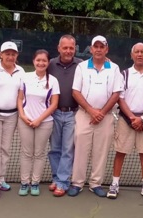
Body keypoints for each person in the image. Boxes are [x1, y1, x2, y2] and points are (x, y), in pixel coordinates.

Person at [67, 35, 124, 197]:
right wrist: (91, 111)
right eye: (96, 47)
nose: (98, 49)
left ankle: (95, 183)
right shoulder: (82, 67)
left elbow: (116, 93)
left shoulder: (114, 68)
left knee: (101, 151)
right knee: (80, 150)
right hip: (84, 115)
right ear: (91, 49)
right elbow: (75, 92)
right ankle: (77, 183)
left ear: (107, 49)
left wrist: (101, 113)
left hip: (105, 118)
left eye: (102, 47)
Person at [107, 42, 143, 201]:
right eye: (136, 52)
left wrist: (142, 118)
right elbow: (120, 98)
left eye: (142, 52)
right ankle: (115, 184)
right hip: (126, 120)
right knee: (120, 152)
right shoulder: (124, 74)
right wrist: (132, 117)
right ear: (132, 55)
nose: (139, 54)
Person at [17, 50, 60, 196]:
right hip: (25, 122)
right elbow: (20, 99)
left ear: (48, 63)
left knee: (39, 153)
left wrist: (39, 120)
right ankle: (24, 183)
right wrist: (23, 116)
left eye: (44, 61)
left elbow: (54, 104)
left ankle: (35, 183)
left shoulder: (53, 80)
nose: (41, 63)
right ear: (33, 61)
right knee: (27, 153)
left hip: (45, 123)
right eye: (38, 60)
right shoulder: (25, 77)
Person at [0, 41, 25, 199]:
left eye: (13, 54)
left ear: (16, 55)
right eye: (7, 53)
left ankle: (1, 179)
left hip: (13, 116)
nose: (10, 56)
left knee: (6, 149)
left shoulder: (21, 70)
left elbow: (20, 95)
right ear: (1, 54)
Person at [47, 34, 82, 197]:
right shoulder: (50, 64)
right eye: (65, 47)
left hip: (73, 114)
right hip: (53, 113)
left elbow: (101, 64)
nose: (68, 51)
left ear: (75, 48)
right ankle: (56, 178)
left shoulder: (82, 65)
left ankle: (62, 181)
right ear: (59, 48)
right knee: (55, 149)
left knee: (68, 149)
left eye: (71, 48)